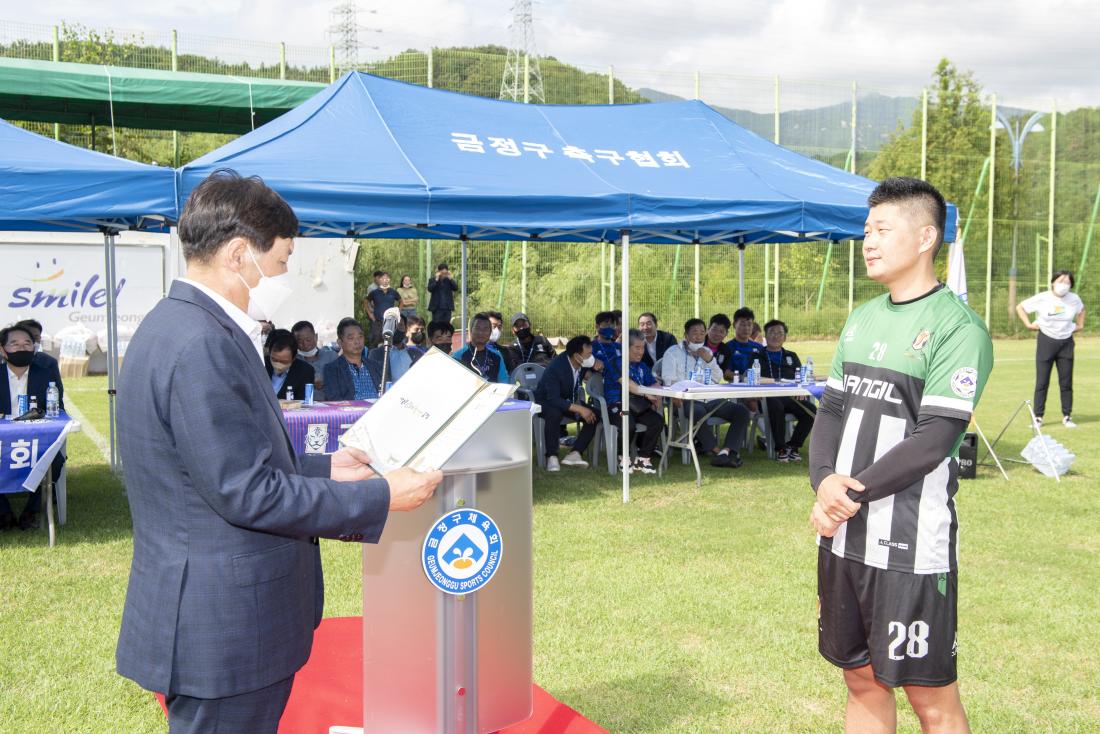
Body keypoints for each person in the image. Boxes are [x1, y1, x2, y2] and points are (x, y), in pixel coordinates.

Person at [114, 171, 442, 734]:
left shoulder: (179, 325)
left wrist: (328, 469)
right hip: (226, 625)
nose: (285, 277)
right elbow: (247, 493)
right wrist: (379, 496)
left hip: (213, 610)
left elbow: (219, 465)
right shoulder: (200, 344)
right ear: (240, 255)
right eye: (284, 261)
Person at [809, 177, 993, 734]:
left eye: (882, 230)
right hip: (843, 537)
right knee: (860, 679)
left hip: (911, 546)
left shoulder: (957, 328)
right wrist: (822, 482)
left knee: (930, 699)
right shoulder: (862, 318)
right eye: (866, 230)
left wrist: (847, 495)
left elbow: (936, 438)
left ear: (925, 238)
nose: (868, 241)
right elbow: (831, 414)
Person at [0, 323, 66, 530]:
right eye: (15, 344)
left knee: (55, 460)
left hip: (36, 439)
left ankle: (32, 511)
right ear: (3, 350)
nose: (22, 348)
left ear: (34, 348)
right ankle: (3, 513)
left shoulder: (45, 374)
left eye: (27, 343)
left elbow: (57, 410)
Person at [660, 318, 750, 468]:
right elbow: (668, 380)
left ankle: (727, 451)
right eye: (694, 333)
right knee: (697, 411)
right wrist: (676, 395)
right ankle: (716, 451)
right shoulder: (673, 352)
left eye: (702, 333)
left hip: (710, 398)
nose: (699, 337)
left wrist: (709, 360)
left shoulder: (707, 352)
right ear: (686, 335)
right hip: (685, 399)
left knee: (741, 411)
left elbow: (718, 378)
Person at [1015, 270, 1085, 428]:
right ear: (1053, 282)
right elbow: (1021, 307)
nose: (1063, 285)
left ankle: (1067, 416)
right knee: (1042, 381)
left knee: (1066, 382)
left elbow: (1082, 310)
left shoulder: (1074, 299)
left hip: (1066, 342)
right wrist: (1028, 324)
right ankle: (1038, 417)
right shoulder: (1043, 297)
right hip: (1046, 341)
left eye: (1067, 282)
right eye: (1061, 281)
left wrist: (1080, 325)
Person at [534, 335, 600, 472]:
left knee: (594, 415)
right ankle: (551, 456)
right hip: (545, 401)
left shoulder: (581, 363)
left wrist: (597, 365)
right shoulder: (556, 368)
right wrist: (580, 409)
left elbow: (590, 370)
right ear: (577, 356)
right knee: (554, 412)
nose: (591, 357)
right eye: (588, 354)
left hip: (568, 399)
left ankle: (575, 454)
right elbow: (553, 399)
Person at [759, 319, 815, 462]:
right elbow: (752, 377)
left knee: (811, 411)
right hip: (767, 397)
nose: (776, 336)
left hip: (790, 397)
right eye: (772, 332)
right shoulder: (757, 356)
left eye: (780, 333)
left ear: (785, 337)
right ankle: (781, 448)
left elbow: (800, 377)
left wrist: (801, 391)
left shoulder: (791, 356)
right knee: (776, 406)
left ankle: (793, 445)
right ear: (765, 335)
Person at [621, 330, 666, 474]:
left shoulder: (642, 366)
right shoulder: (617, 363)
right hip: (619, 406)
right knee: (629, 424)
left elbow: (653, 383)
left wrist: (657, 392)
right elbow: (628, 385)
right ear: (626, 347)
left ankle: (643, 459)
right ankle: (623, 457)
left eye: (643, 348)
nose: (641, 352)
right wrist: (647, 393)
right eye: (637, 348)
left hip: (638, 406)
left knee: (657, 421)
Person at [323, 318, 383, 400]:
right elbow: (334, 400)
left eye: (360, 336)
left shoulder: (377, 366)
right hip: (350, 412)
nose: (357, 342)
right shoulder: (332, 370)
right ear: (340, 343)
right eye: (351, 338)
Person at [452, 314, 508, 383]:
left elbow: (504, 382)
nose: (481, 332)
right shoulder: (458, 356)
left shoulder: (497, 356)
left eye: (485, 329)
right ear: (470, 331)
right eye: (477, 328)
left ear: (490, 333)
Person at [291, 320, 338, 400]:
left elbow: (342, 380)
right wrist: (310, 383)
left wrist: (327, 381)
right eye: (300, 342)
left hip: (331, 403)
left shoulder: (331, 356)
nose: (305, 344)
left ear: (316, 337)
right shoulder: (293, 361)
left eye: (308, 340)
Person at [368, 315, 421, 383]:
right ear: (385, 329)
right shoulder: (376, 354)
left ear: (406, 330)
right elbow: (372, 379)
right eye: (393, 325)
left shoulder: (416, 354)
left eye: (401, 325)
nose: (397, 328)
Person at [265, 329, 314, 400]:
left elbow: (303, 402)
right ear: (270, 353)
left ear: (293, 358)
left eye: (284, 362)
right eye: (274, 359)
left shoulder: (305, 371)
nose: (278, 365)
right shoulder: (260, 365)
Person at [727, 307, 766, 376]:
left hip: (758, 385)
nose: (746, 328)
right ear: (734, 325)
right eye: (742, 324)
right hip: (736, 385)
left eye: (749, 324)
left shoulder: (760, 348)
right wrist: (744, 378)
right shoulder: (728, 347)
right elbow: (726, 374)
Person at [365, 271, 400, 348]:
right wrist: (370, 314)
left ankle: (389, 357)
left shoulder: (393, 292)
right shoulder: (374, 292)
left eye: (387, 278)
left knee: (390, 341)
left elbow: (401, 301)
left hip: (390, 321)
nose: (385, 280)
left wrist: (398, 311)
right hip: (377, 321)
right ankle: (372, 356)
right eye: (383, 278)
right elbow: (366, 301)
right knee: (375, 340)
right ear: (379, 280)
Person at [702, 314, 736, 380]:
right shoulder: (698, 344)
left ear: (726, 334)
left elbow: (726, 372)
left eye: (721, 331)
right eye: (714, 330)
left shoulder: (726, 350)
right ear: (708, 329)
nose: (717, 334)